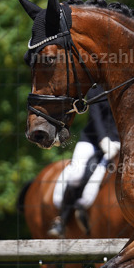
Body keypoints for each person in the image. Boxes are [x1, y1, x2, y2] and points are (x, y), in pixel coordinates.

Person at [48, 86, 121, 238]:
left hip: (119, 143)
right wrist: (103, 139)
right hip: (93, 141)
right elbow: (95, 116)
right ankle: (62, 219)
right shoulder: (97, 88)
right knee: (77, 174)